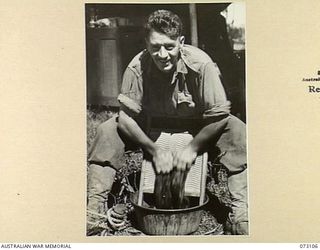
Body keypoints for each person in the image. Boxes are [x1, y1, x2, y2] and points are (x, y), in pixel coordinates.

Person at [87, 9, 248, 235]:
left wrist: (192, 148)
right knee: (107, 130)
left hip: (198, 129)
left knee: (238, 130)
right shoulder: (137, 66)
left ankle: (241, 214)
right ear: (146, 43)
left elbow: (219, 116)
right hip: (153, 128)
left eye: (169, 47)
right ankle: (95, 209)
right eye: (155, 47)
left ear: (181, 42)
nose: (162, 54)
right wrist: (153, 150)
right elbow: (125, 119)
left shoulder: (202, 65)